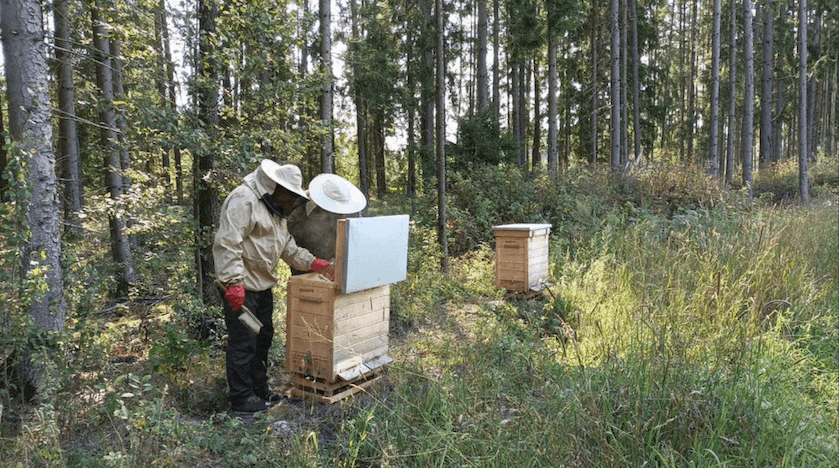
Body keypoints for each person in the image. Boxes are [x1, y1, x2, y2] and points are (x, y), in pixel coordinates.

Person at [212, 159, 332, 414]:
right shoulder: (243, 200)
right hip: (241, 288)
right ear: (275, 186)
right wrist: (233, 283)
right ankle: (242, 400)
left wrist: (313, 262)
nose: (290, 203)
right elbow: (227, 243)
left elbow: (286, 246)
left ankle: (259, 389)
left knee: (263, 340)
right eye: (289, 196)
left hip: (261, 286)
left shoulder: (275, 210)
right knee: (243, 343)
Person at [286, 173, 368, 276]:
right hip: (302, 260)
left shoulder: (346, 208)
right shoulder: (296, 205)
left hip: (331, 260)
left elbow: (351, 236)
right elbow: (286, 242)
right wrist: (313, 263)